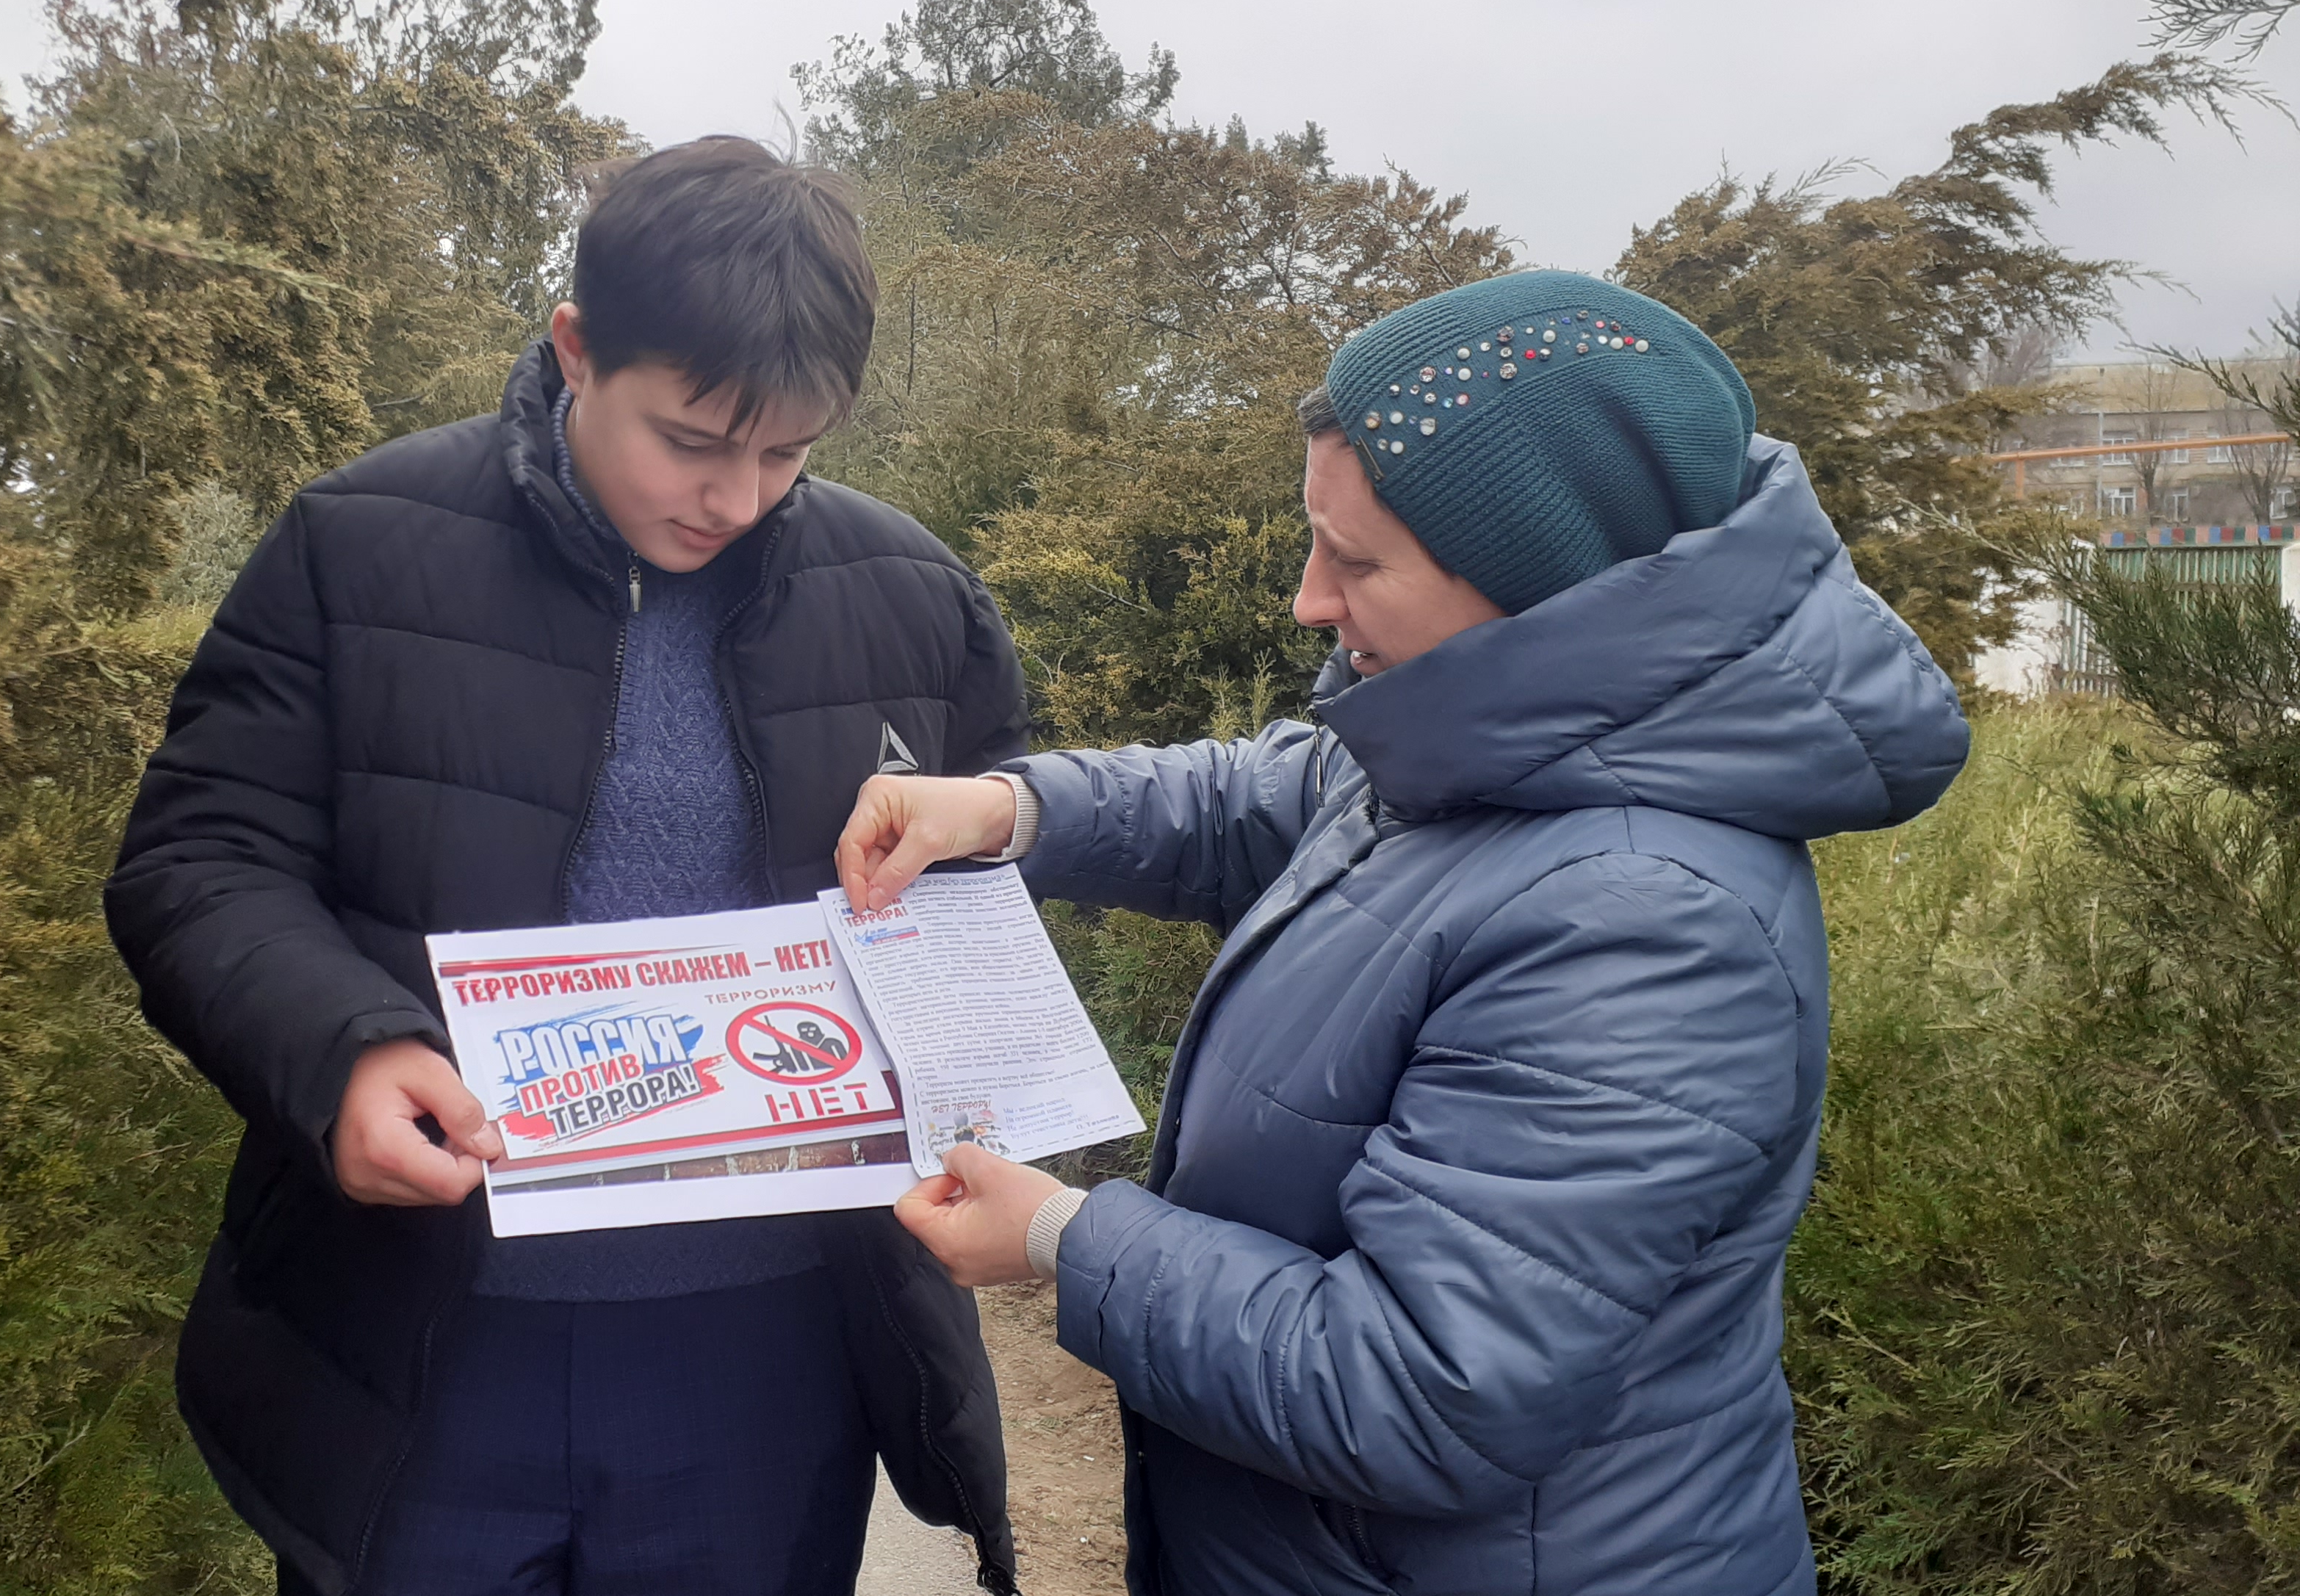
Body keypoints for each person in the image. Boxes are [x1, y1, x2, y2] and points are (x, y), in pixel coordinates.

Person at [838, 268, 1970, 1596]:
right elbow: (1255, 795)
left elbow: (1429, 1388)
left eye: (1360, 561)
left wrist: (1063, 1239)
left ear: (1543, 587)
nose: (1309, 599)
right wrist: (1007, 810)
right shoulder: (1482, 740)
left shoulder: (1648, 924)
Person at [105, 137, 1029, 1596]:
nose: (737, 497)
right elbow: (200, 857)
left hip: (769, 1358)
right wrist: (342, 1054)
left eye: (787, 452)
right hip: (424, 1338)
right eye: (691, 440)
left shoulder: (917, 601)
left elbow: (980, 902)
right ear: (577, 348)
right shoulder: (359, 548)